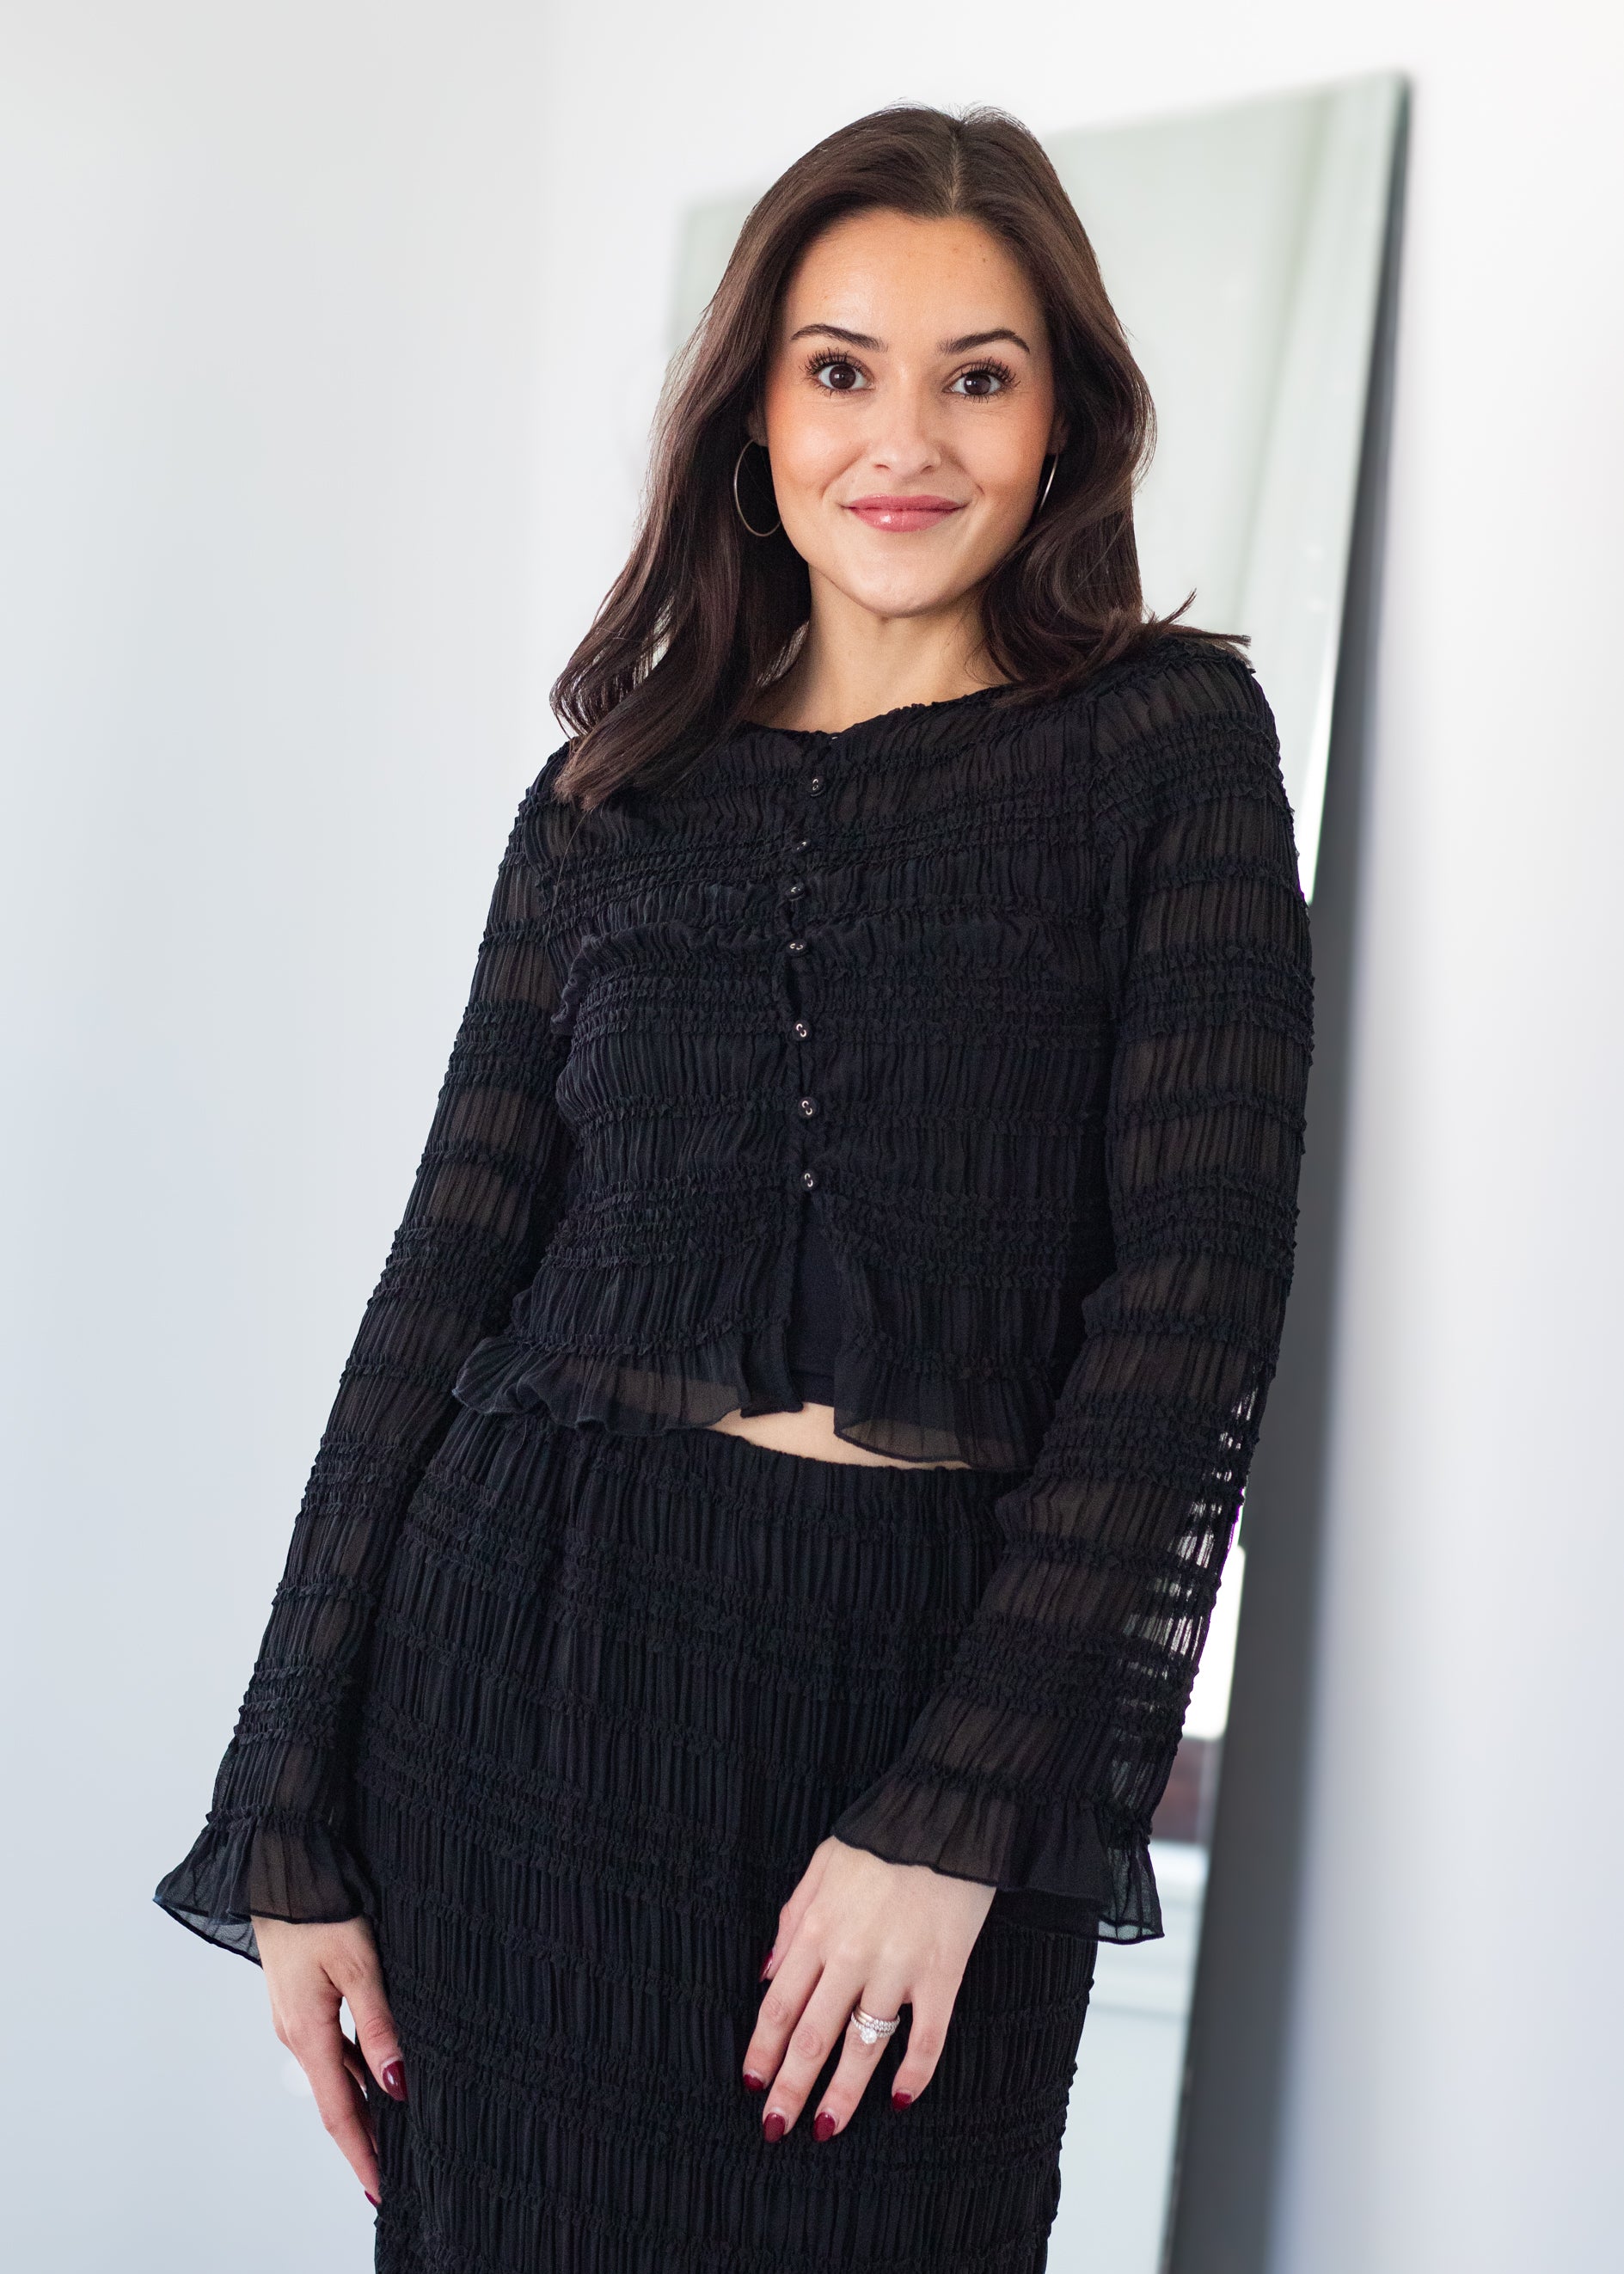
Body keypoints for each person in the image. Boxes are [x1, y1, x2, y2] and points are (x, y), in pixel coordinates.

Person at [156, 101, 1314, 2272]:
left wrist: (954, 1819)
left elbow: (1193, 1317)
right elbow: (439, 1294)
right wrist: (288, 1809)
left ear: (1063, 416)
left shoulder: (1170, 752)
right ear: (752, 412)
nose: (908, 438)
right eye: (840, 368)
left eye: (980, 373)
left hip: (911, 1678)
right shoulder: (603, 806)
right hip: (521, 1693)